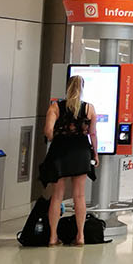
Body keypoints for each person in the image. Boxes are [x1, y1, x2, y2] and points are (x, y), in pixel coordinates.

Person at [41, 75, 97, 247]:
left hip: (60, 152)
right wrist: (95, 154)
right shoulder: (89, 108)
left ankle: (52, 237)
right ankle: (80, 236)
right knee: (79, 195)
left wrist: (58, 138)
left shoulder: (55, 107)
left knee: (57, 196)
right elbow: (93, 134)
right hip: (81, 152)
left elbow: (48, 131)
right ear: (82, 89)